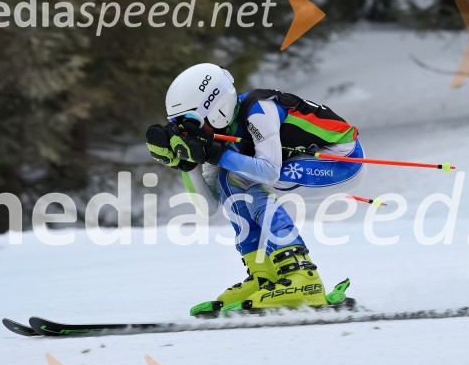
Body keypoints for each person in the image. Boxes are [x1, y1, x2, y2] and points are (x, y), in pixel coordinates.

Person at [145, 63, 364, 313]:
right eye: (178, 125)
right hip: (305, 162)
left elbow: (269, 172)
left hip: (342, 159)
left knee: (255, 184)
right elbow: (209, 206)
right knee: (228, 181)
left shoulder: (258, 110)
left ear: (216, 109)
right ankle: (265, 276)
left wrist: (215, 154)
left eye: (190, 122)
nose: (188, 132)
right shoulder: (219, 132)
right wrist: (188, 165)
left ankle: (302, 275)